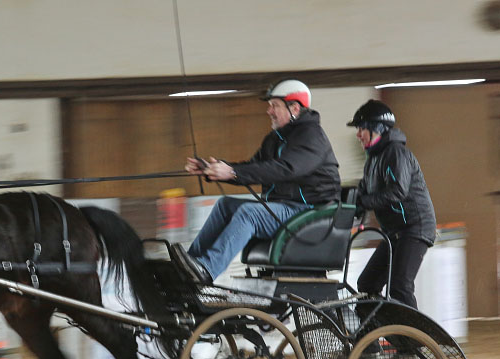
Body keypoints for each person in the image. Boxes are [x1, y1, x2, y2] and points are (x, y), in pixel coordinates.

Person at [175, 79, 341, 283]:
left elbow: (286, 169)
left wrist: (233, 172)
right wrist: (215, 169)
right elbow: (253, 167)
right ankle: (191, 263)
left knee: (250, 214)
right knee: (225, 205)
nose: (269, 111)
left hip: (309, 213)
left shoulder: (312, 136)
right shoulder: (275, 139)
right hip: (285, 209)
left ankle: (207, 270)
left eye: (274, 106)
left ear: (294, 108)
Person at [348, 99, 436, 309]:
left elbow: (397, 191)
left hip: (414, 228)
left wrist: (364, 202)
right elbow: (362, 192)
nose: (358, 134)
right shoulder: (372, 160)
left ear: (377, 129)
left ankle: (415, 340)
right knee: (367, 283)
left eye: (361, 129)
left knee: (400, 286)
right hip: (396, 232)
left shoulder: (395, 153)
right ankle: (371, 339)